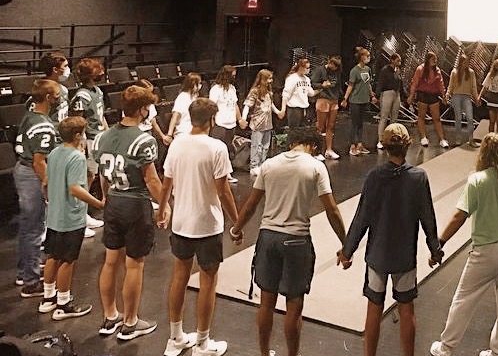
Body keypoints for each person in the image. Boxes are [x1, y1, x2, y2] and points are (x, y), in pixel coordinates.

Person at [230, 126, 348, 356]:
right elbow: (331, 210)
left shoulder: (270, 165)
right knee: (294, 305)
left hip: (268, 238)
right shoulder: (316, 167)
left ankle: (265, 353)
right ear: (313, 145)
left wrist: (236, 230)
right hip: (297, 240)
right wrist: (346, 243)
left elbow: (251, 205)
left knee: (266, 302)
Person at [429, 133, 498, 356]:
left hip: (485, 253)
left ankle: (446, 347)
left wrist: (439, 243)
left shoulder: (477, 180)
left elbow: (459, 217)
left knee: (464, 299)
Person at [338, 123, 444, 356]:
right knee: (407, 308)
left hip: (378, 254)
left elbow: (361, 217)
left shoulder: (375, 176)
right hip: (405, 255)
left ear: (385, 147)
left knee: (374, 306)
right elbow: (428, 217)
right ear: (408, 146)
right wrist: (435, 249)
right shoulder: (418, 177)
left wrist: (347, 251)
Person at [158, 98, 240, 356]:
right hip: (207, 225)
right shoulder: (217, 147)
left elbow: (166, 183)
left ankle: (175, 338)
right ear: (212, 120)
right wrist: (237, 221)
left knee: (179, 277)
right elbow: (223, 190)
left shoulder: (177, 144)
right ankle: (203, 344)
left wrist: (162, 211)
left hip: (181, 223)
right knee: (207, 282)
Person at [92, 84, 169, 340]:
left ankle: (109, 317)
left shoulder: (102, 137)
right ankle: (130, 322)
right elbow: (152, 180)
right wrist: (165, 206)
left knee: (110, 261)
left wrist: (105, 197)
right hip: (135, 204)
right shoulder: (144, 140)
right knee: (134, 265)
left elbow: (103, 175)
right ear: (142, 109)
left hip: (113, 200)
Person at [38, 116, 104, 320]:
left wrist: (51, 200)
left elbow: (46, 183)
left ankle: (48, 299)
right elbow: (75, 188)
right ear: (77, 136)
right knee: (68, 259)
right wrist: (98, 203)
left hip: (55, 216)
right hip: (71, 217)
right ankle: (63, 304)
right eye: (83, 133)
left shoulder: (55, 152)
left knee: (52, 256)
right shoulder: (76, 157)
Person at [15, 79, 60, 298]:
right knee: (33, 227)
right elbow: (39, 162)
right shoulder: (43, 125)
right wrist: (48, 187)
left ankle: (25, 271)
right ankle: (31, 282)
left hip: (22, 169)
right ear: (49, 98)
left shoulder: (29, 114)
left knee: (28, 226)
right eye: (58, 94)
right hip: (31, 174)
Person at [69, 57, 109, 234]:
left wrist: (108, 133)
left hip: (100, 136)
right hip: (89, 139)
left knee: (96, 174)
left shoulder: (97, 91)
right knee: (87, 177)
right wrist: (80, 143)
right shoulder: (82, 95)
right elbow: (78, 120)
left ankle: (85, 215)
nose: (101, 72)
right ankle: (78, 219)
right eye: (97, 70)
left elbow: (100, 115)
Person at [209, 65, 247, 183]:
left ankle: (226, 172)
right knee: (218, 149)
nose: (234, 78)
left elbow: (235, 105)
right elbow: (212, 106)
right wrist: (212, 122)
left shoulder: (232, 88)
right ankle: (214, 172)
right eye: (232, 75)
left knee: (228, 148)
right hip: (220, 123)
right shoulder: (216, 89)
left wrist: (240, 119)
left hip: (231, 123)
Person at [407, 51, 449, 148]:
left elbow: (441, 84)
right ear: (428, 60)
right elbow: (415, 83)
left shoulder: (437, 70)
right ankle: (423, 138)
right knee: (421, 117)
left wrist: (444, 96)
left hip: (433, 95)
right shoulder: (420, 69)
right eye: (433, 59)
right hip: (422, 95)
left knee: (437, 118)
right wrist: (411, 95)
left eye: (436, 59)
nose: (435, 61)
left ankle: (442, 139)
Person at [341, 47, 378, 156]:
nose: (369, 58)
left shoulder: (367, 69)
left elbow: (368, 84)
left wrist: (372, 96)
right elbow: (350, 86)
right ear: (362, 57)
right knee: (354, 123)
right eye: (367, 56)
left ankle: (360, 144)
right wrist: (345, 99)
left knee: (361, 123)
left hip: (364, 100)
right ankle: (353, 145)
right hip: (355, 101)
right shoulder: (354, 71)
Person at [241, 69, 278, 177]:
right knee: (256, 145)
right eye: (269, 78)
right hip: (258, 122)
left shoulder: (269, 92)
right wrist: (243, 119)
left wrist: (278, 112)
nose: (270, 81)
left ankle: (262, 163)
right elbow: (247, 105)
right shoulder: (255, 91)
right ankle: (254, 166)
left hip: (268, 123)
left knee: (266, 145)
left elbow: (270, 105)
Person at [25, 51, 71, 128]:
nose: (68, 69)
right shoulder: (43, 90)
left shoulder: (64, 89)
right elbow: (34, 118)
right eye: (65, 66)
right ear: (55, 70)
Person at [310, 55, 343, 159]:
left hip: (334, 100)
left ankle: (329, 150)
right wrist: (322, 86)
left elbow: (338, 85)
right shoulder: (320, 70)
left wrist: (341, 98)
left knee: (331, 126)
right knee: (320, 126)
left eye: (336, 67)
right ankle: (316, 151)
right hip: (323, 99)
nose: (334, 68)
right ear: (329, 63)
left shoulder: (337, 72)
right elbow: (313, 83)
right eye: (333, 66)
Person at [278, 58, 321, 133]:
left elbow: (311, 93)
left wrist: (321, 89)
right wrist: (283, 109)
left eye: (309, 68)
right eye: (307, 68)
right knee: (294, 132)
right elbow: (286, 94)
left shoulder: (307, 79)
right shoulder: (292, 78)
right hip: (294, 109)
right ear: (301, 68)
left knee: (302, 132)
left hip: (303, 108)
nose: (309, 70)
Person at [446, 54, 478, 147]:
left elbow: (473, 87)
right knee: (458, 118)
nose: (466, 64)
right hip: (456, 96)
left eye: (467, 62)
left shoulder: (471, 72)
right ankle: (458, 138)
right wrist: (447, 95)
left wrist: (476, 98)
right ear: (460, 63)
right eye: (464, 62)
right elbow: (450, 86)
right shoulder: (454, 72)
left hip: (467, 97)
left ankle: (471, 139)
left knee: (470, 118)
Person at [375, 53, 403, 151]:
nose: (399, 62)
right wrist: (376, 95)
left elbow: (401, 84)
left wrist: (405, 96)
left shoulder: (398, 71)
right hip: (387, 93)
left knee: (394, 118)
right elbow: (380, 83)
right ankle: (380, 140)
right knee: (384, 117)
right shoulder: (385, 70)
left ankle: (392, 138)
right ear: (392, 60)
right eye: (397, 60)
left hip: (396, 94)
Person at [167, 73, 202, 139]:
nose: (200, 85)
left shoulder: (194, 96)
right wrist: (169, 135)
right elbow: (175, 116)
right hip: (183, 132)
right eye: (199, 83)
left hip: (193, 131)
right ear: (193, 84)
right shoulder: (182, 97)